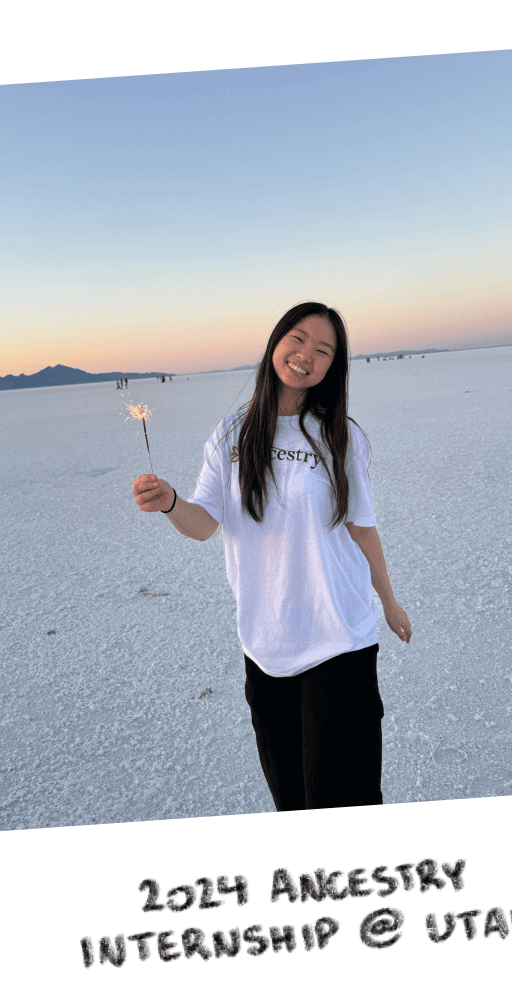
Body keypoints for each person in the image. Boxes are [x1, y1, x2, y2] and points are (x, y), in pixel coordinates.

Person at [133, 301, 411, 812]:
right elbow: (205, 524)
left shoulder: (342, 436)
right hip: (265, 645)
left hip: (338, 639)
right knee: (293, 806)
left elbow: (361, 528)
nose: (306, 355)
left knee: (342, 805)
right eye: (298, 339)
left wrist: (388, 602)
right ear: (276, 341)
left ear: (333, 366)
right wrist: (171, 503)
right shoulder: (231, 433)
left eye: (323, 350)